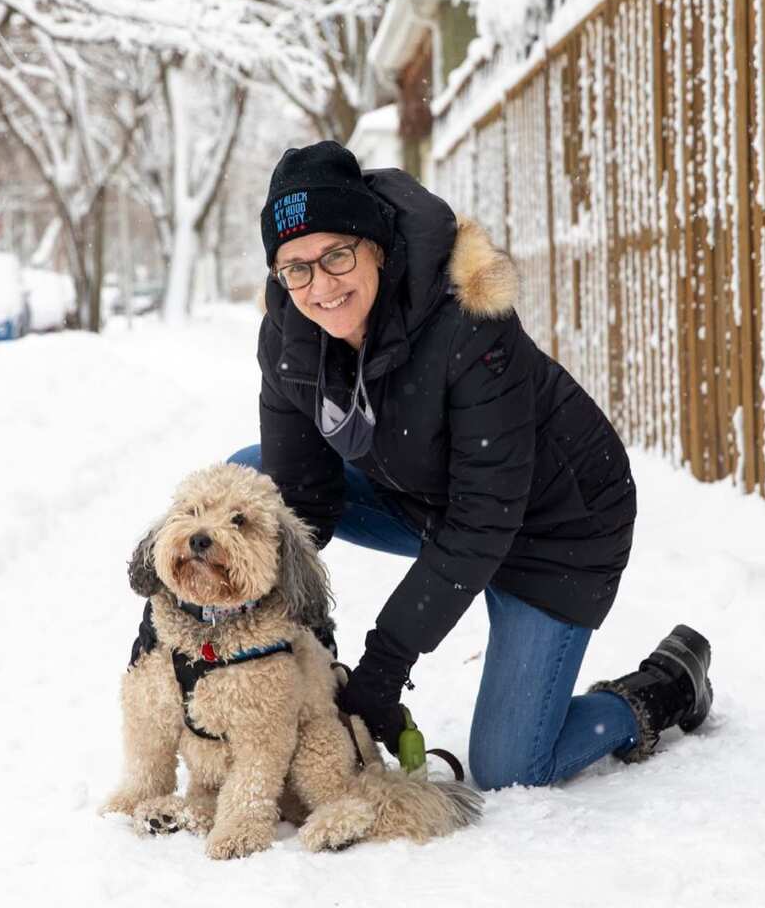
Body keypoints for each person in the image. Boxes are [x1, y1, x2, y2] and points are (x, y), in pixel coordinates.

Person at [227, 141, 712, 789]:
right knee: (252, 493)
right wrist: (289, 628)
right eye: (297, 268)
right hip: (427, 498)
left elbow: (484, 516)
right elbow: (303, 499)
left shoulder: (467, 319)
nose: (321, 286)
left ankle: (663, 689)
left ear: (375, 247)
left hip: (555, 528)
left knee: (511, 768)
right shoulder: (289, 336)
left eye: (337, 255)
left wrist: (384, 667)